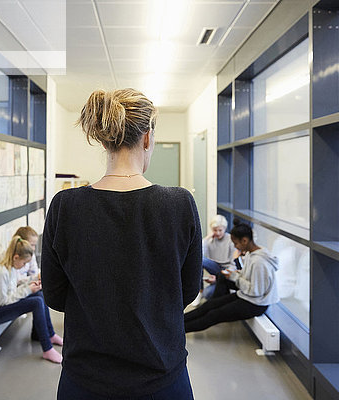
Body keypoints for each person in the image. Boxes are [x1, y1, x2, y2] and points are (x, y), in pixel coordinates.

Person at [41, 88, 202, 399]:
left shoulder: (65, 206)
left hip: (84, 381)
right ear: (147, 138)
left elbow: (56, 295)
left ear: (104, 141)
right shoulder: (179, 204)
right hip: (162, 378)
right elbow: (188, 290)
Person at [0, 235, 63, 363]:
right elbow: (4, 301)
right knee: (37, 302)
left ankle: (49, 334)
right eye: (23, 263)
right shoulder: (0, 272)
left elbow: (16, 287)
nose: (23, 267)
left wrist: (32, 283)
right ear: (16, 257)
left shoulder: (9, 268)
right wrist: (28, 290)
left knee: (39, 295)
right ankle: (47, 349)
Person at [184, 218, 279, 333]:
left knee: (214, 314)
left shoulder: (259, 262)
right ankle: (178, 322)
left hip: (255, 303)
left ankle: (177, 331)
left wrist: (234, 277)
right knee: (211, 304)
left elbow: (255, 291)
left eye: (236, 244)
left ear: (244, 240)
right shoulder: (251, 254)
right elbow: (248, 277)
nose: (236, 247)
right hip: (245, 295)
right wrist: (235, 275)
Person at [195, 215, 239, 303]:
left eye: (220, 230)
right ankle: (199, 290)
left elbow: (233, 265)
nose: (218, 233)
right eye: (215, 230)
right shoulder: (210, 240)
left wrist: (218, 277)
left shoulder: (231, 241)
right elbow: (198, 253)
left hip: (226, 272)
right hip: (215, 268)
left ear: (225, 228)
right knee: (199, 259)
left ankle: (222, 286)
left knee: (207, 294)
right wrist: (207, 238)